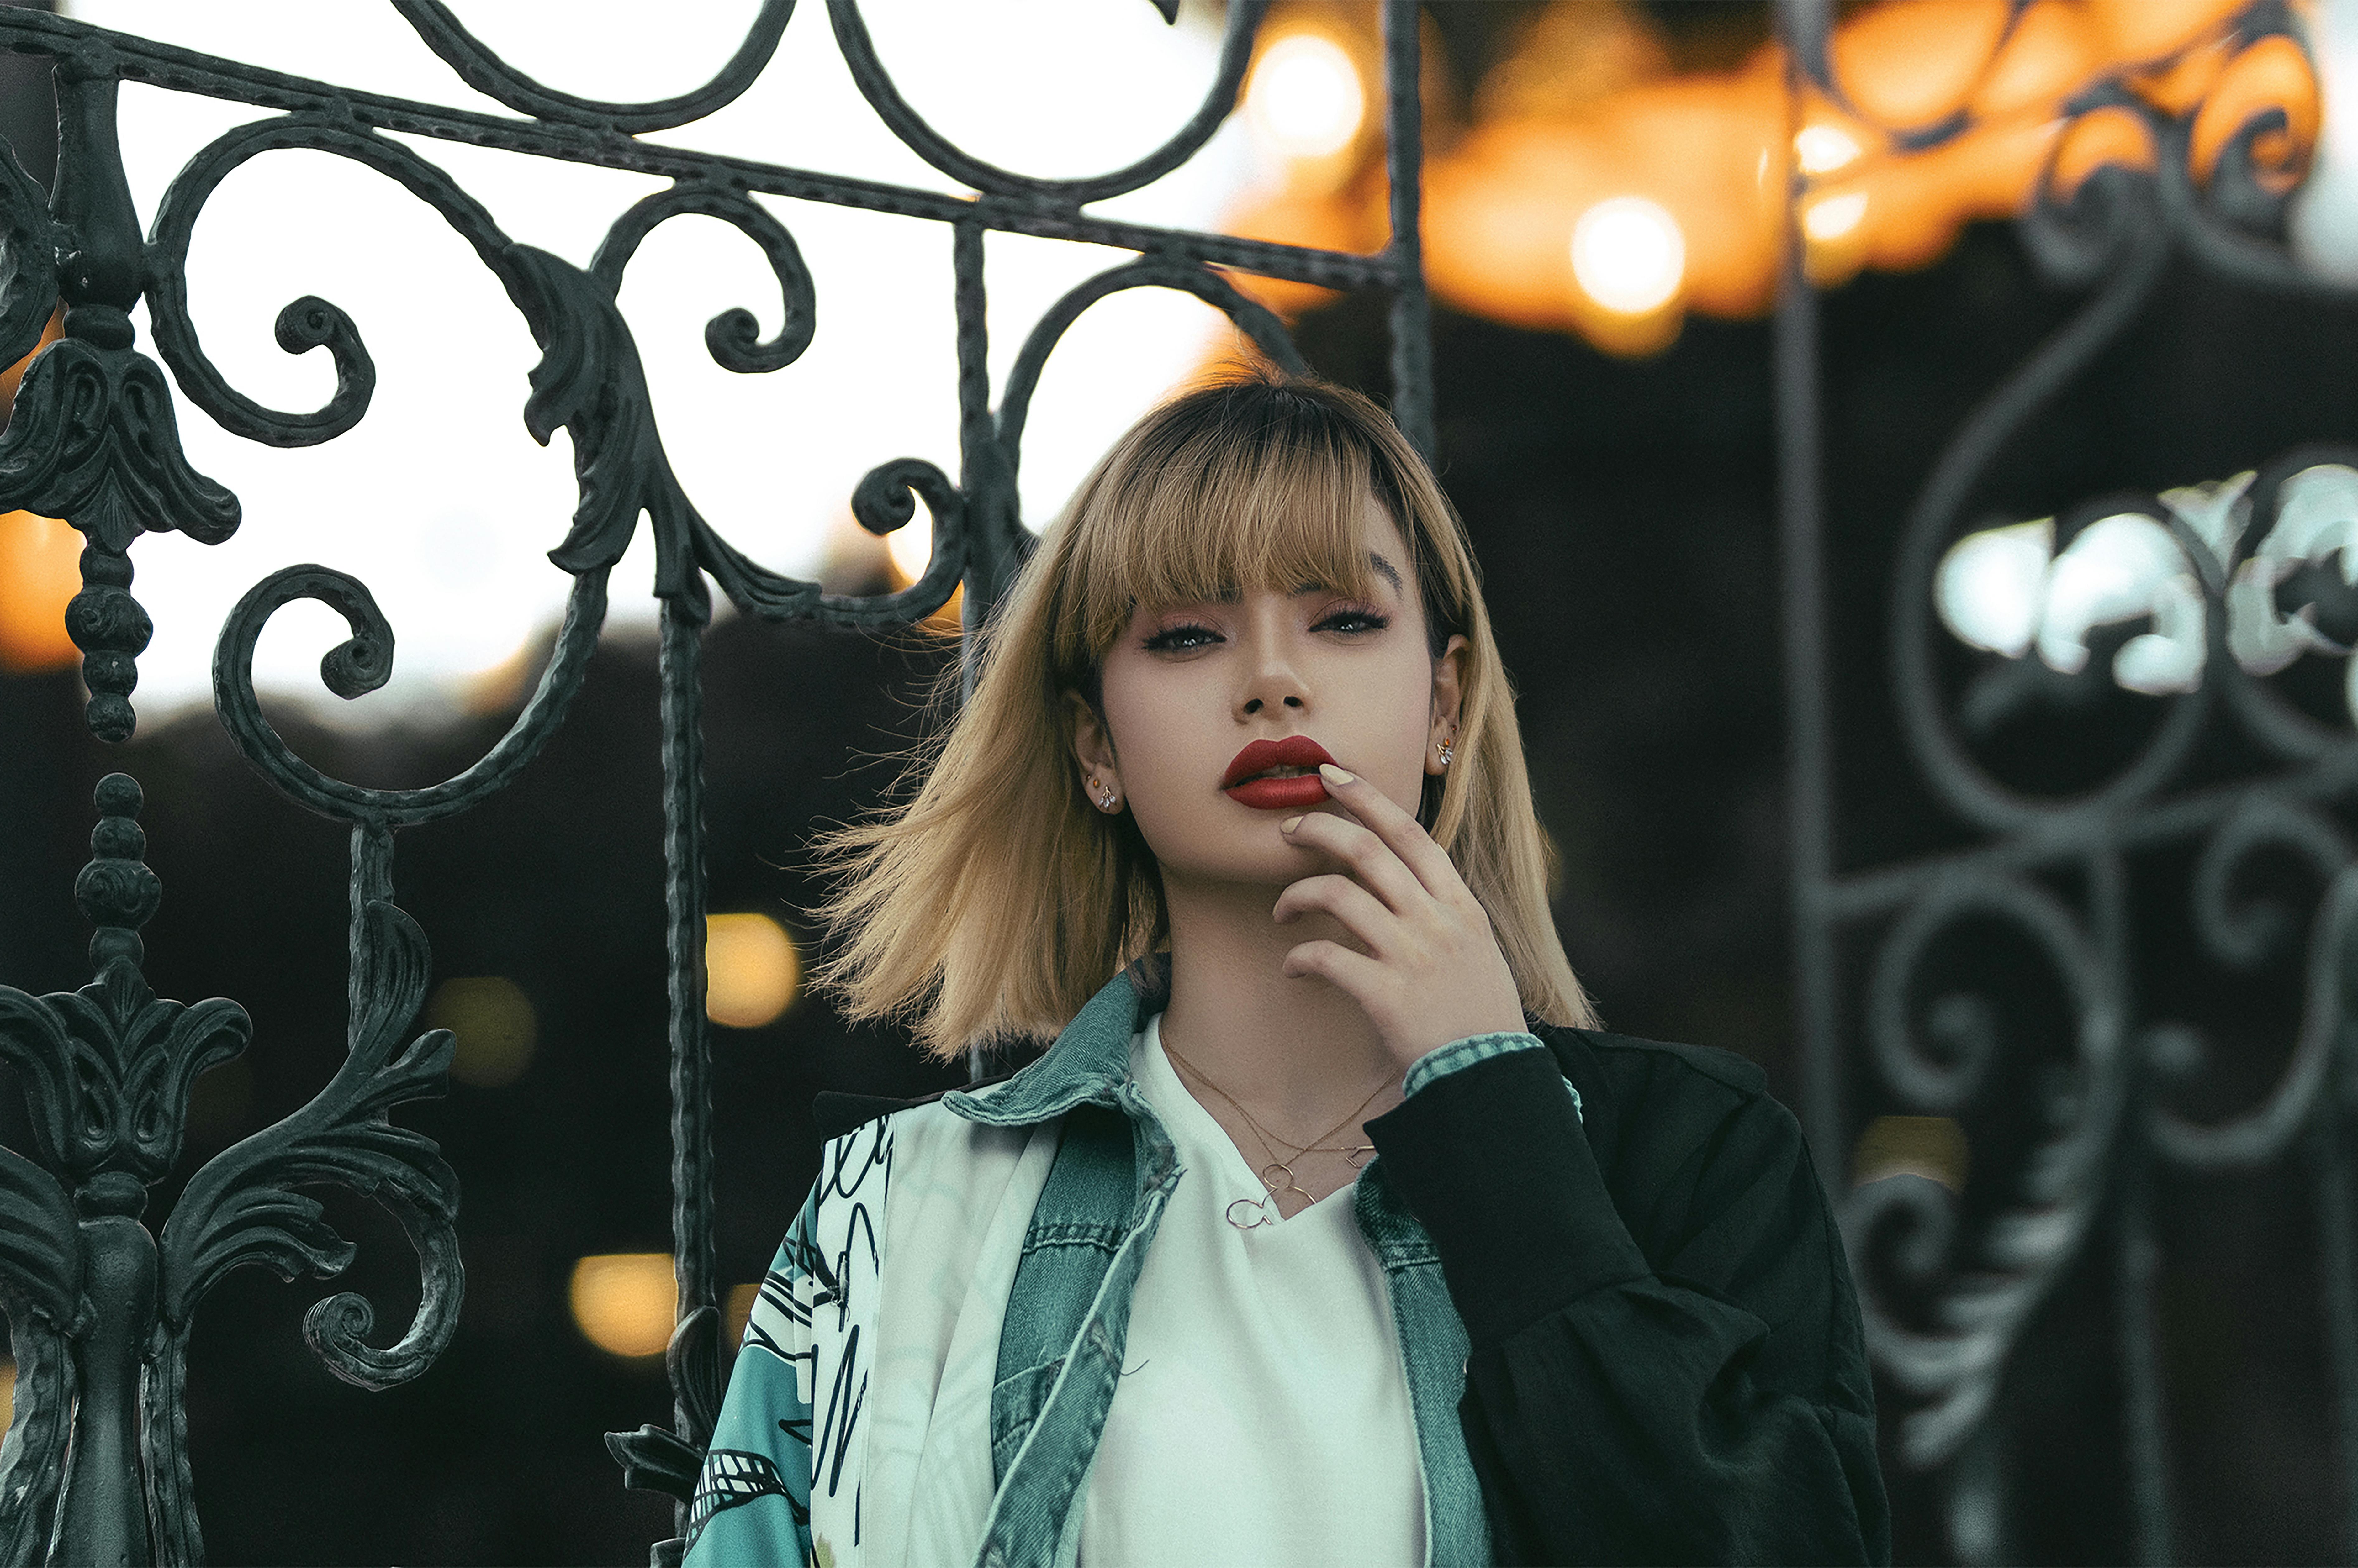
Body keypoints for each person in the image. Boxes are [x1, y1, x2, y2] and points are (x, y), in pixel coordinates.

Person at [679, 371, 1889, 1567]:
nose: (1271, 677)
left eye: (1346, 620)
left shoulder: (1695, 1155)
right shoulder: (898, 1205)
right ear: (1097, 746)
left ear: (1445, 706)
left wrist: (1492, 1108)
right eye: (1190, 634)